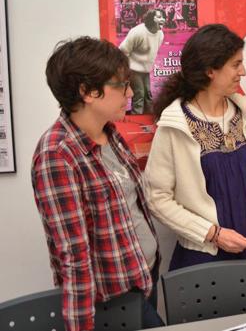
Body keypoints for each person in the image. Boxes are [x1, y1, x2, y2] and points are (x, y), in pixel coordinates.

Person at [31, 37, 163, 331]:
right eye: (121, 85)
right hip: (114, 296)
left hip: (144, 276)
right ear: (88, 92)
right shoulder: (58, 155)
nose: (129, 93)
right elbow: (74, 257)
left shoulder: (111, 135)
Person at [145, 24, 246, 271]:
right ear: (210, 70)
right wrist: (212, 233)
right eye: (236, 64)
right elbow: (156, 197)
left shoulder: (245, 113)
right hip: (203, 257)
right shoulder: (174, 124)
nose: (243, 71)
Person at [119, 8, 166, 114]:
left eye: (163, 17)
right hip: (133, 69)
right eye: (159, 17)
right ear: (151, 19)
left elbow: (152, 53)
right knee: (139, 94)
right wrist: (125, 70)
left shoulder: (160, 34)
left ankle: (148, 116)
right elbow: (123, 50)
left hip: (145, 70)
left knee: (148, 95)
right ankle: (137, 117)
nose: (162, 19)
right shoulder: (137, 32)